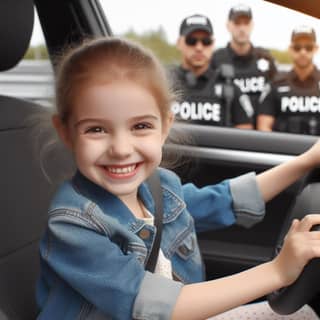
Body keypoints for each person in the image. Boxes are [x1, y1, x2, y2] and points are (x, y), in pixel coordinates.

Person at [36, 37, 320, 320]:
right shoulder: (72, 225)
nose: (121, 149)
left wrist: (306, 161)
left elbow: (226, 200)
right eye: (96, 129)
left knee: (304, 315)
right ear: (66, 132)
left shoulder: (161, 187)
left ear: (165, 126)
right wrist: (277, 271)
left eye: (141, 126)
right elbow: (156, 306)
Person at [170, 14, 254, 129]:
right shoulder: (164, 85)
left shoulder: (229, 87)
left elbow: (246, 136)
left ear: (213, 44)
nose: (199, 47)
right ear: (179, 43)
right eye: (191, 41)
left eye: (206, 41)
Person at [210, 4, 277, 127]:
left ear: (252, 25)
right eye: (237, 23)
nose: (242, 28)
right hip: (230, 132)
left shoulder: (265, 58)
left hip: (263, 132)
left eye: (246, 23)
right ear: (228, 25)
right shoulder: (216, 59)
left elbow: (275, 95)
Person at [257, 26, 320, 134]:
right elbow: (263, 127)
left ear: (316, 49)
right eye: (297, 47)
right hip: (283, 149)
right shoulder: (275, 85)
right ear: (290, 49)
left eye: (308, 47)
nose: (303, 52)